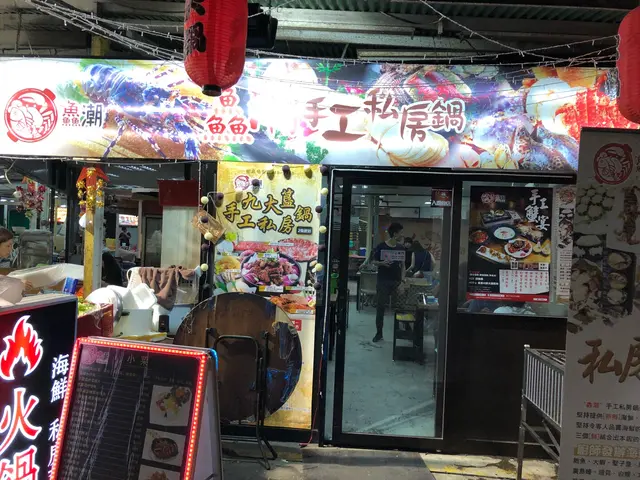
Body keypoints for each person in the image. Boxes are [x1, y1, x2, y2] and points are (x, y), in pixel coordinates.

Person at [371, 222, 406, 342]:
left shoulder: (401, 248)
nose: (402, 235)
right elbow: (373, 261)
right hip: (383, 281)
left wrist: (402, 282)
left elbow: (403, 266)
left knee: (399, 307)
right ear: (395, 234)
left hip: (396, 281)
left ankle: (400, 333)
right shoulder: (381, 246)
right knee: (380, 308)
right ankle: (379, 333)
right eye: (401, 232)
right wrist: (382, 263)